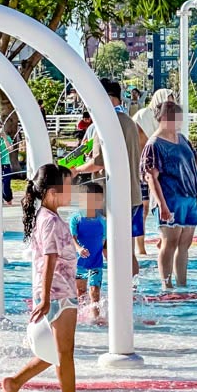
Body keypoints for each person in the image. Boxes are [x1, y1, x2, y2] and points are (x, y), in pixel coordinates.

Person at [2, 164, 81, 392]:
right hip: (57, 294)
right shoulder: (50, 221)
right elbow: (49, 259)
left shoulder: (48, 217)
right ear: (51, 192)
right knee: (64, 352)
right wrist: (45, 299)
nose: (71, 192)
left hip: (60, 291)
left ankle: (14, 383)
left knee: (57, 351)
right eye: (67, 187)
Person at [71, 79, 144, 275]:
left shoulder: (106, 123)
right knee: (126, 249)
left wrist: (76, 170)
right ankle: (132, 292)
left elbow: (98, 162)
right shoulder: (129, 122)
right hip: (132, 194)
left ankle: (115, 294)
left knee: (105, 246)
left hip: (109, 196)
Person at [141, 101, 197, 289]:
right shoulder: (154, 144)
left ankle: (182, 283)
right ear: (164, 118)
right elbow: (151, 177)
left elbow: (193, 165)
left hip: (189, 197)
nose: (179, 120)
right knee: (170, 242)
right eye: (175, 117)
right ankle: (166, 285)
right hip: (170, 197)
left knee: (185, 243)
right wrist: (162, 205)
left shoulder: (182, 138)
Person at [133, 88, 175, 254]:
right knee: (142, 208)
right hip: (142, 167)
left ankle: (162, 239)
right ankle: (140, 248)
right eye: (168, 101)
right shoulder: (144, 115)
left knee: (165, 204)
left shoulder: (167, 121)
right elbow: (138, 141)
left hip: (161, 168)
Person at [69, 182, 106, 321]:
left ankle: (96, 318)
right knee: (80, 291)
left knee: (95, 291)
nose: (96, 202)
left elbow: (104, 243)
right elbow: (72, 238)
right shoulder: (76, 218)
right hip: (79, 263)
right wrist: (79, 248)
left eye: (99, 199)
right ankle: (79, 316)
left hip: (96, 262)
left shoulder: (102, 221)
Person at [0, 125, 15, 206]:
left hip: (5, 163)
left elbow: (10, 149)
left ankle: (8, 199)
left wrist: (4, 138)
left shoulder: (6, 138)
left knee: (6, 183)